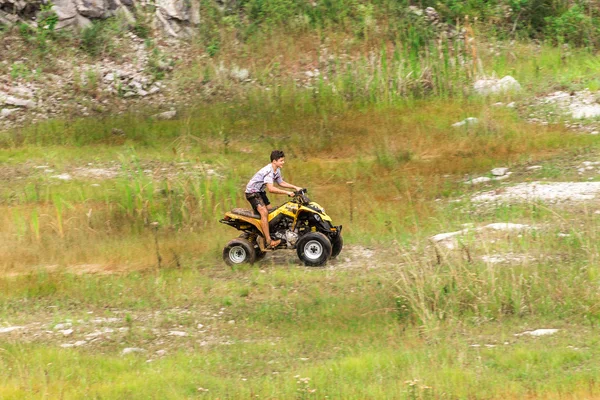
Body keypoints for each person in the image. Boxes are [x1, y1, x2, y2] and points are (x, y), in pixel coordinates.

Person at [245, 150, 302, 248]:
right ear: (274, 161)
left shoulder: (277, 170)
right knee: (264, 213)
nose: (283, 162)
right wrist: (287, 192)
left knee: (271, 213)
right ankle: (269, 241)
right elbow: (271, 189)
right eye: (281, 161)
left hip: (260, 191)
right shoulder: (269, 171)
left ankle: (269, 234)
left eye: (283, 160)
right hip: (252, 192)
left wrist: (295, 187)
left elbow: (281, 183)